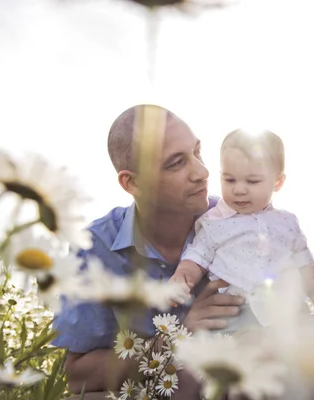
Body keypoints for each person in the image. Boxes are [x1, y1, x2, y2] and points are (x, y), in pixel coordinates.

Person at [52, 104, 245, 399]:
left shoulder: (236, 224)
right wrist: (178, 336)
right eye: (176, 163)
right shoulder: (93, 249)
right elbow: (79, 377)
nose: (202, 172)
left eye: (197, 152)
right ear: (133, 182)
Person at [170, 129, 314, 332]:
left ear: (278, 182)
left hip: (285, 312)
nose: (239, 189)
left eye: (252, 181)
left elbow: (304, 263)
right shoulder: (214, 222)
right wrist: (182, 278)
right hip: (235, 313)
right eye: (230, 180)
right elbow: (196, 258)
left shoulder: (287, 222)